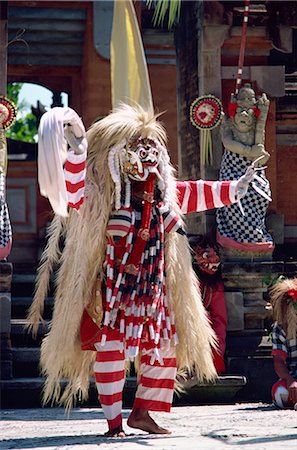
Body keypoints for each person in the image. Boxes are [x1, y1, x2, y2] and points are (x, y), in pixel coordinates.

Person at [28, 103, 259, 437]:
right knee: (111, 350)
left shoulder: (165, 193)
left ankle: (142, 412)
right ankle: (112, 423)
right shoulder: (101, 195)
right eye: (138, 146)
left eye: (152, 147)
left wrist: (236, 188)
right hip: (112, 288)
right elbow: (72, 193)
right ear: (117, 155)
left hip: (153, 289)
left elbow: (194, 191)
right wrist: (77, 153)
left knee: (164, 349)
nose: (147, 154)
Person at [216, 84, 274, 257]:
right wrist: (249, 152)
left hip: (252, 168)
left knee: (260, 194)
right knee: (233, 197)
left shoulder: (256, 123)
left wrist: (262, 117)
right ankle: (235, 236)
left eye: (249, 109)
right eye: (241, 108)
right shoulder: (228, 123)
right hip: (232, 168)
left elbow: (259, 144)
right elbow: (227, 143)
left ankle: (255, 234)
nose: (244, 114)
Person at [190, 235, 227, 374]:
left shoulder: (215, 286)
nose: (212, 261)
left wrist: (217, 348)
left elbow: (219, 320)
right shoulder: (184, 281)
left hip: (206, 334)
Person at [270, 277, 297, 409]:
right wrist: (291, 380)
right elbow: (278, 361)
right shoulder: (279, 328)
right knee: (280, 392)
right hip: (293, 379)